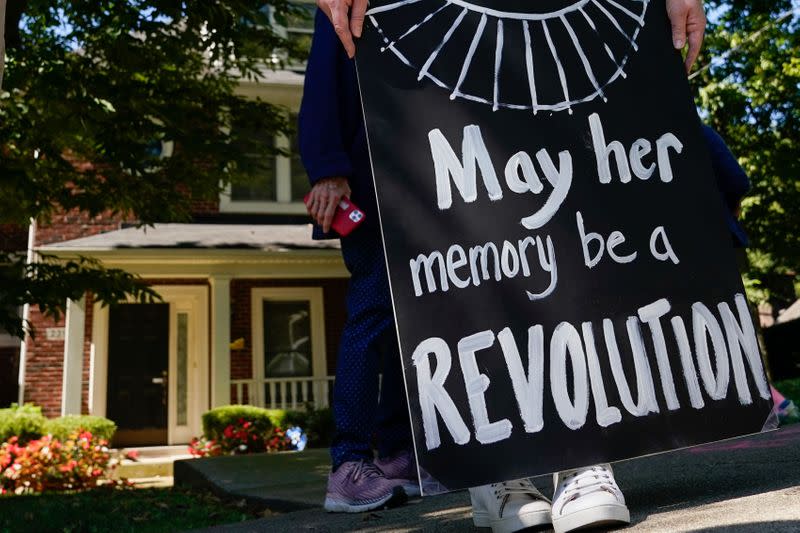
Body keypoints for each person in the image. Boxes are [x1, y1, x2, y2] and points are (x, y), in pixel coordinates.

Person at [301, 1, 707, 531]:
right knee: (382, 308)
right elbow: (324, 67)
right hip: (388, 173)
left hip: (488, 158)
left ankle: (409, 455)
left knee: (467, 299)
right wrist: (327, 166)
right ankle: (354, 462)